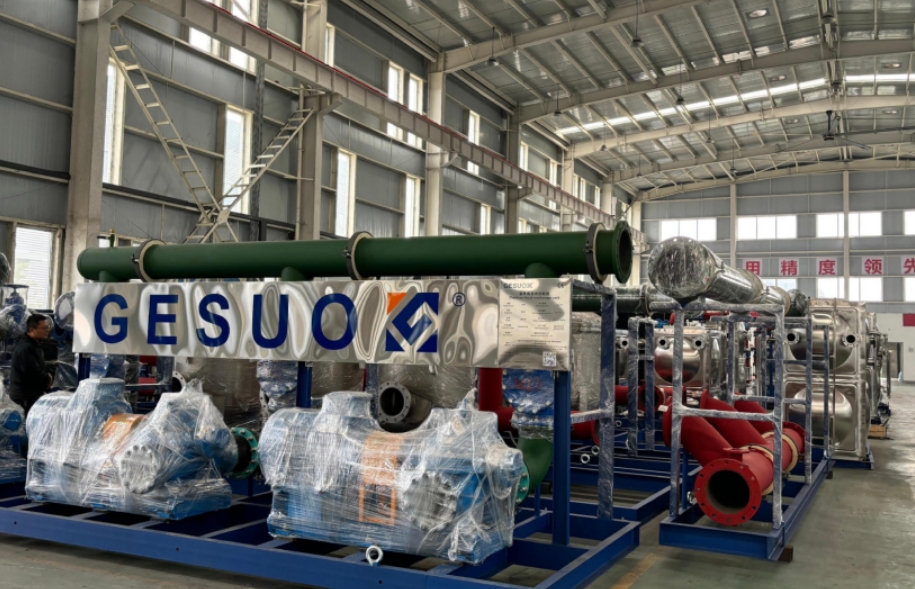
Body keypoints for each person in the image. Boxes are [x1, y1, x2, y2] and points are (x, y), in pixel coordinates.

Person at [9, 313, 53, 415]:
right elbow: (33, 373)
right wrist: (47, 379)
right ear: (32, 330)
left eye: (48, 327)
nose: (47, 330)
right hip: (25, 397)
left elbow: (39, 367)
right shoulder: (25, 348)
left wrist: (48, 375)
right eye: (44, 328)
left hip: (32, 395)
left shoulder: (34, 345)